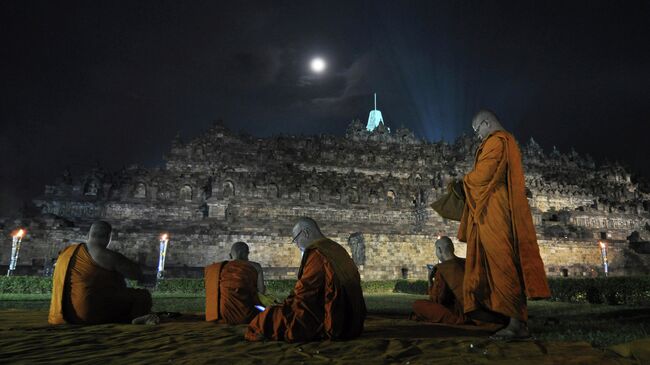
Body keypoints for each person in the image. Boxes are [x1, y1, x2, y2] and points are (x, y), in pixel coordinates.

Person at [458, 109, 551, 339]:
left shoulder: (498, 142)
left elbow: (484, 175)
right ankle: (505, 317)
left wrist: (463, 182)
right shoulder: (502, 142)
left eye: (476, 129)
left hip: (496, 210)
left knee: (503, 262)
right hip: (491, 209)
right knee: (496, 262)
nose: (476, 135)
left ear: (486, 123)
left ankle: (517, 323)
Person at [245, 217, 366, 342]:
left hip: (336, 323)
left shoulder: (318, 254)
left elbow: (305, 293)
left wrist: (285, 304)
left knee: (267, 317)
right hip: (354, 323)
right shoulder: (336, 249)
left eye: (296, 239)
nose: (297, 245)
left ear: (306, 233)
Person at [48, 221, 154, 325]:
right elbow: (136, 274)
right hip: (87, 315)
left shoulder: (67, 252)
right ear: (108, 238)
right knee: (142, 295)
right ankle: (137, 317)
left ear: (88, 235)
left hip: (60, 316)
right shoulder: (106, 255)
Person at [411, 236, 470, 325]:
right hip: (474, 310)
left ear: (439, 250)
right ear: (452, 248)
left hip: (458, 313)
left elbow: (437, 300)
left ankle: (453, 319)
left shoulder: (442, 269)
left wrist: (430, 280)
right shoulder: (466, 263)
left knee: (417, 305)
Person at [204, 241, 266, 324]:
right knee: (265, 310)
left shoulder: (217, 269)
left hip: (222, 315)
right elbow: (261, 292)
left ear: (230, 255)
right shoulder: (255, 266)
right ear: (246, 254)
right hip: (246, 315)